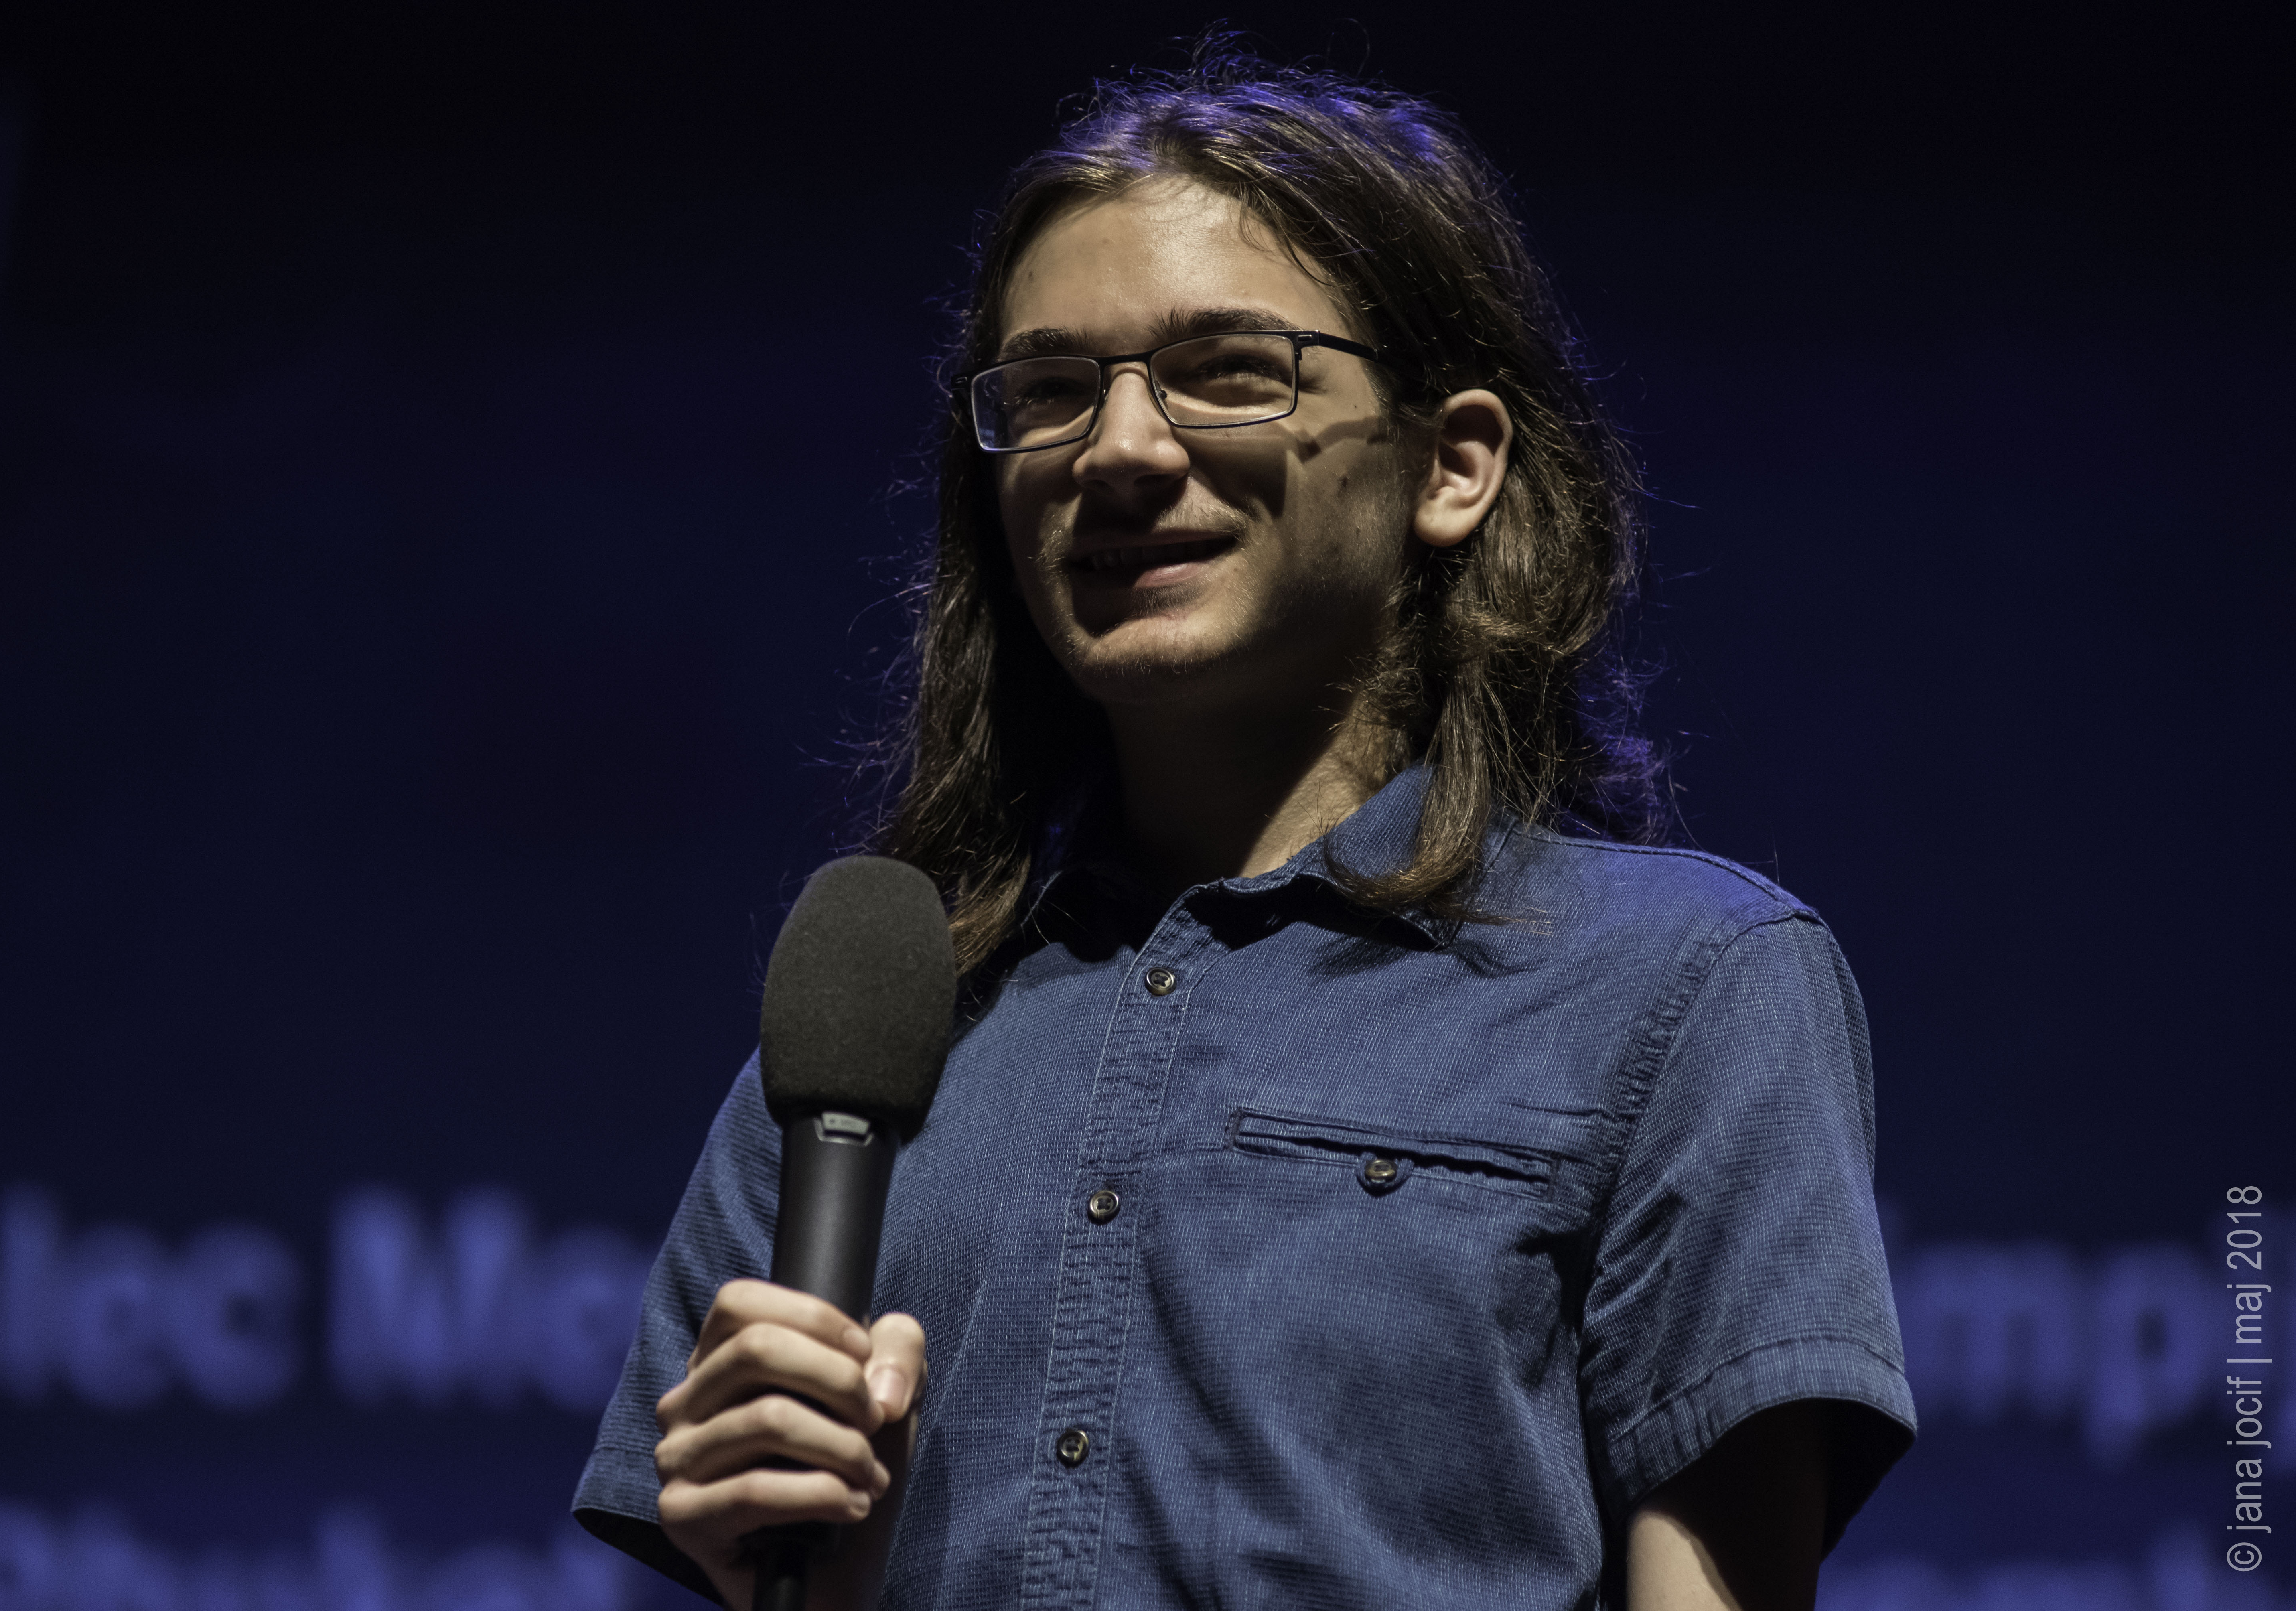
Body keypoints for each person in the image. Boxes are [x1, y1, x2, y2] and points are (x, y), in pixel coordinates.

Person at [573, 53, 1915, 1611]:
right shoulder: (872, 1035)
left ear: (1451, 464)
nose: (1119, 451)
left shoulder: (1681, 984)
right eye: (1051, 393)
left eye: (1226, 371)